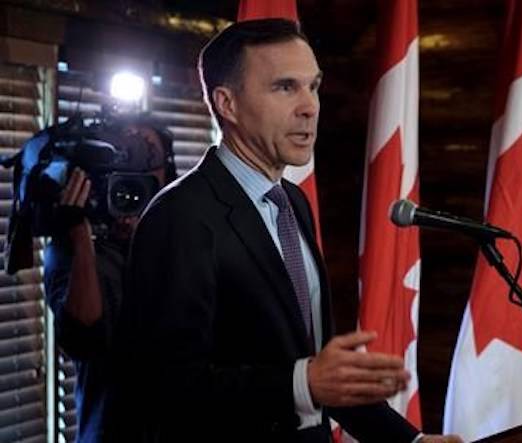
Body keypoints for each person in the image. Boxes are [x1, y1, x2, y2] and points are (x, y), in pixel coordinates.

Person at [110, 19, 462, 443]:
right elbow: (164, 389)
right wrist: (302, 383)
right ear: (228, 104)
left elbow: (321, 370)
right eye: (285, 87)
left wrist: (410, 441)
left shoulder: (292, 202)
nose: (310, 106)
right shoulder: (179, 217)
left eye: (313, 86)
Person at [43, 119, 176, 443]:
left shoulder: (178, 238)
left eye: (148, 156)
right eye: (125, 155)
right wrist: (79, 237)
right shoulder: (75, 247)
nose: (137, 167)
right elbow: (82, 339)